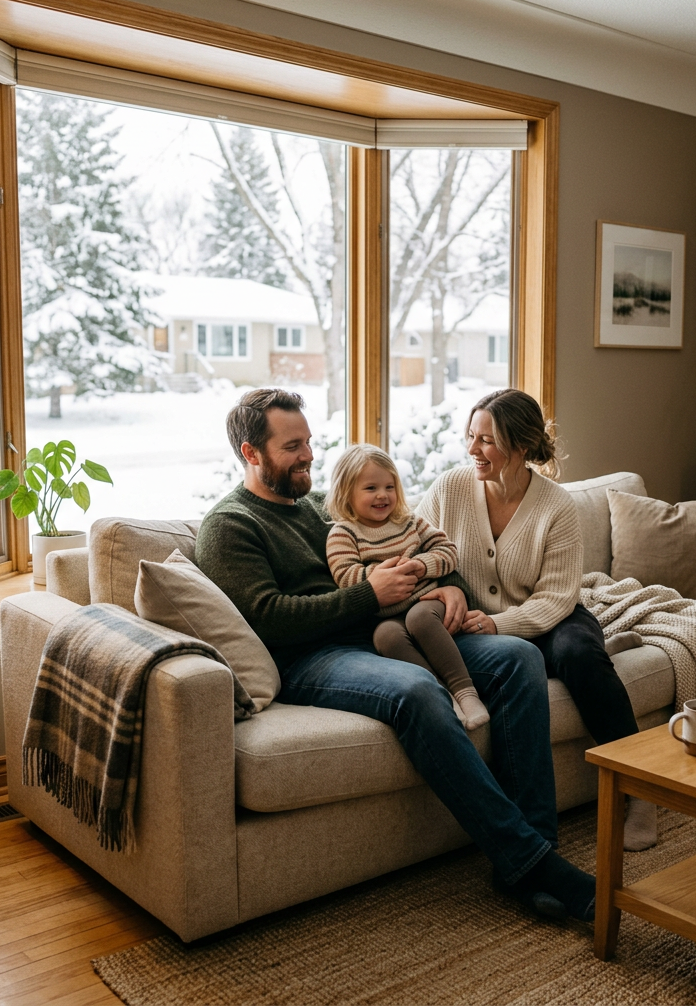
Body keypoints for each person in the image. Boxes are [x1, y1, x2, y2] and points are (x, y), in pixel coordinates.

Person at [195, 388, 599, 923]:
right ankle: (533, 864)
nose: (309, 455)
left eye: (310, 442)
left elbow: (408, 545)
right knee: (416, 690)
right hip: (311, 658)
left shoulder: (323, 508)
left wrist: (450, 585)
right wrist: (369, 595)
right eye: (293, 446)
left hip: (387, 630)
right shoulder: (230, 526)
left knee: (517, 658)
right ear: (252, 453)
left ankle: (535, 847)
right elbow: (268, 617)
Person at [417, 388, 658, 852]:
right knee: (525, 662)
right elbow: (421, 552)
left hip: (552, 614)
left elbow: (557, 597)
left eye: (486, 441)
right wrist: (444, 590)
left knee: (576, 653)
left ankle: (641, 790)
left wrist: (499, 625)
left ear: (520, 446)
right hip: (474, 625)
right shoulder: (450, 488)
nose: (472, 450)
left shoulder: (555, 506)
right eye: (470, 437)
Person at [326, 444, 490, 731]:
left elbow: (448, 550)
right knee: (386, 637)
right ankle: (443, 694)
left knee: (419, 618)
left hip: (426, 598)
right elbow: (345, 576)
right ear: (346, 493)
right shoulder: (343, 533)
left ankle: (466, 691)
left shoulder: (408, 521)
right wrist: (386, 574)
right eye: (370, 488)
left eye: (390, 486)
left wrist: (422, 565)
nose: (382, 495)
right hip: (386, 614)